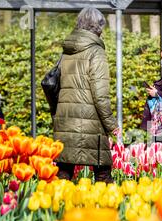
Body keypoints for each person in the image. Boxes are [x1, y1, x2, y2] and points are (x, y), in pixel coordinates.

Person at [53, 7, 121, 182]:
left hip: (65, 121)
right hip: (92, 123)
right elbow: (100, 95)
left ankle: (59, 208)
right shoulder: (96, 52)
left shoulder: (67, 51)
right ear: (99, 27)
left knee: (63, 174)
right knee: (103, 175)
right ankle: (106, 208)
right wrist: (111, 124)